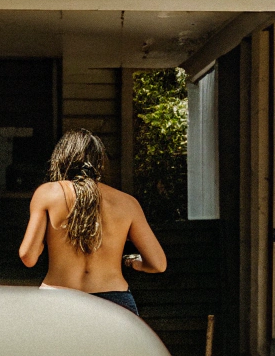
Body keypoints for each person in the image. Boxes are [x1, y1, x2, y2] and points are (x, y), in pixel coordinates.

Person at [18, 129, 166, 315]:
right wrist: (131, 262)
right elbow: (158, 264)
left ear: (62, 158)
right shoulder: (127, 203)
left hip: (58, 300)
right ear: (99, 162)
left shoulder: (48, 193)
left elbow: (28, 257)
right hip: (115, 304)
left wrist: (42, 243)